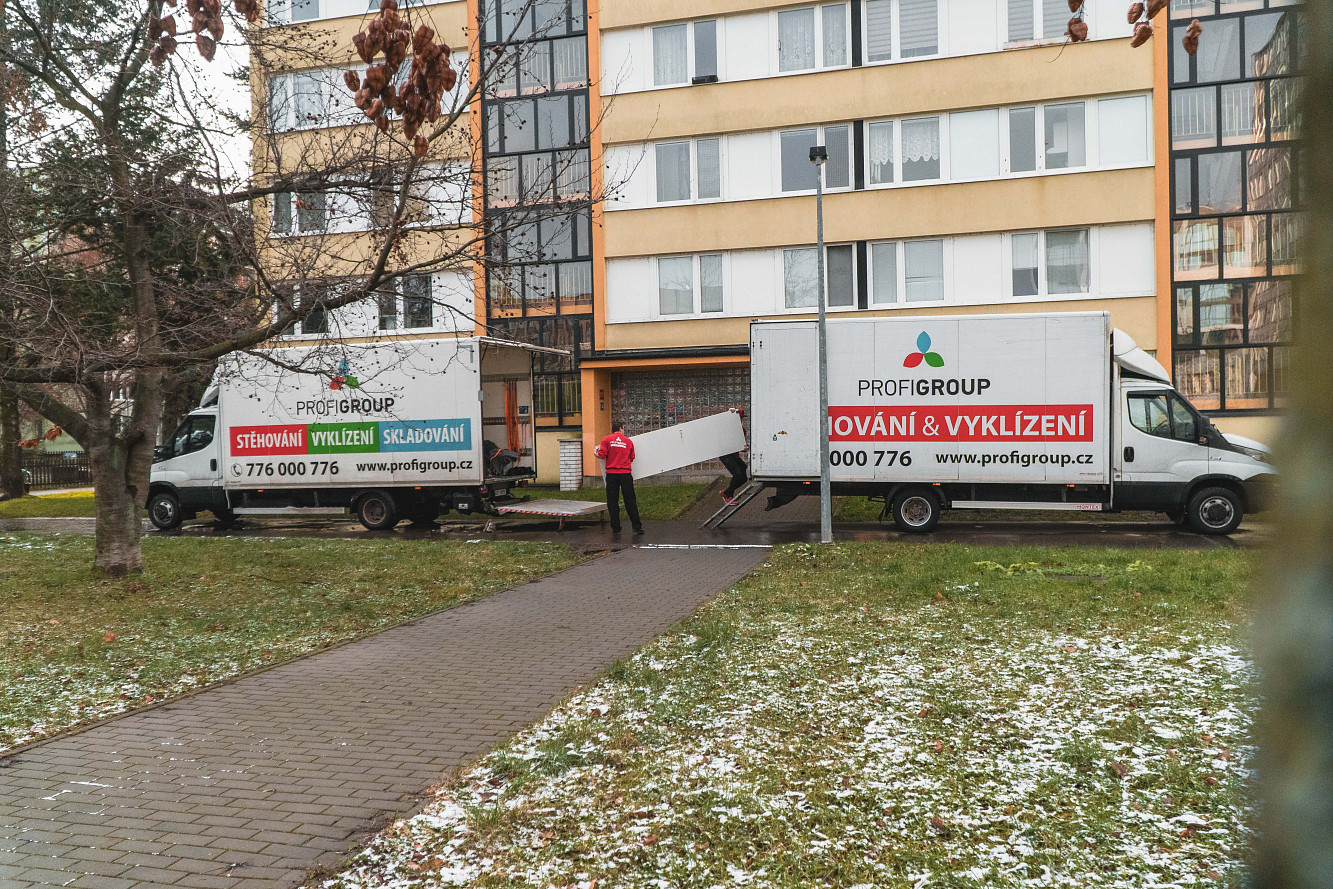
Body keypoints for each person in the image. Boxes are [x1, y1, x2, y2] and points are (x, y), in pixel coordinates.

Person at [594, 421, 643, 535]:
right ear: (621, 429)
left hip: (611, 474)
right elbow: (632, 457)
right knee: (630, 500)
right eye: (623, 428)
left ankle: (616, 528)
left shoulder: (606, 440)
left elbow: (602, 455)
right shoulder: (628, 441)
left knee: (612, 501)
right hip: (625, 474)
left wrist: (595, 453)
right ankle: (637, 527)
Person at [719, 407, 749, 505]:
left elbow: (741, 445)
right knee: (737, 474)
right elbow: (720, 424)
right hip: (726, 454)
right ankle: (729, 497)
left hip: (734, 455)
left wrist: (745, 448)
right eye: (739, 417)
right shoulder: (728, 427)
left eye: (741, 417)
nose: (740, 419)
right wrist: (729, 412)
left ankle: (726, 492)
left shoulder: (742, 430)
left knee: (743, 477)